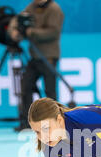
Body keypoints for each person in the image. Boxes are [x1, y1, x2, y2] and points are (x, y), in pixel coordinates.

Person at [8, 0, 64, 131]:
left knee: (50, 91)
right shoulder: (32, 6)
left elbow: (53, 32)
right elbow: (18, 19)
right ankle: (26, 123)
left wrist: (31, 32)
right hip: (34, 57)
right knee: (25, 86)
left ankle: (54, 123)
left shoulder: (54, 9)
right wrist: (14, 30)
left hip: (48, 56)